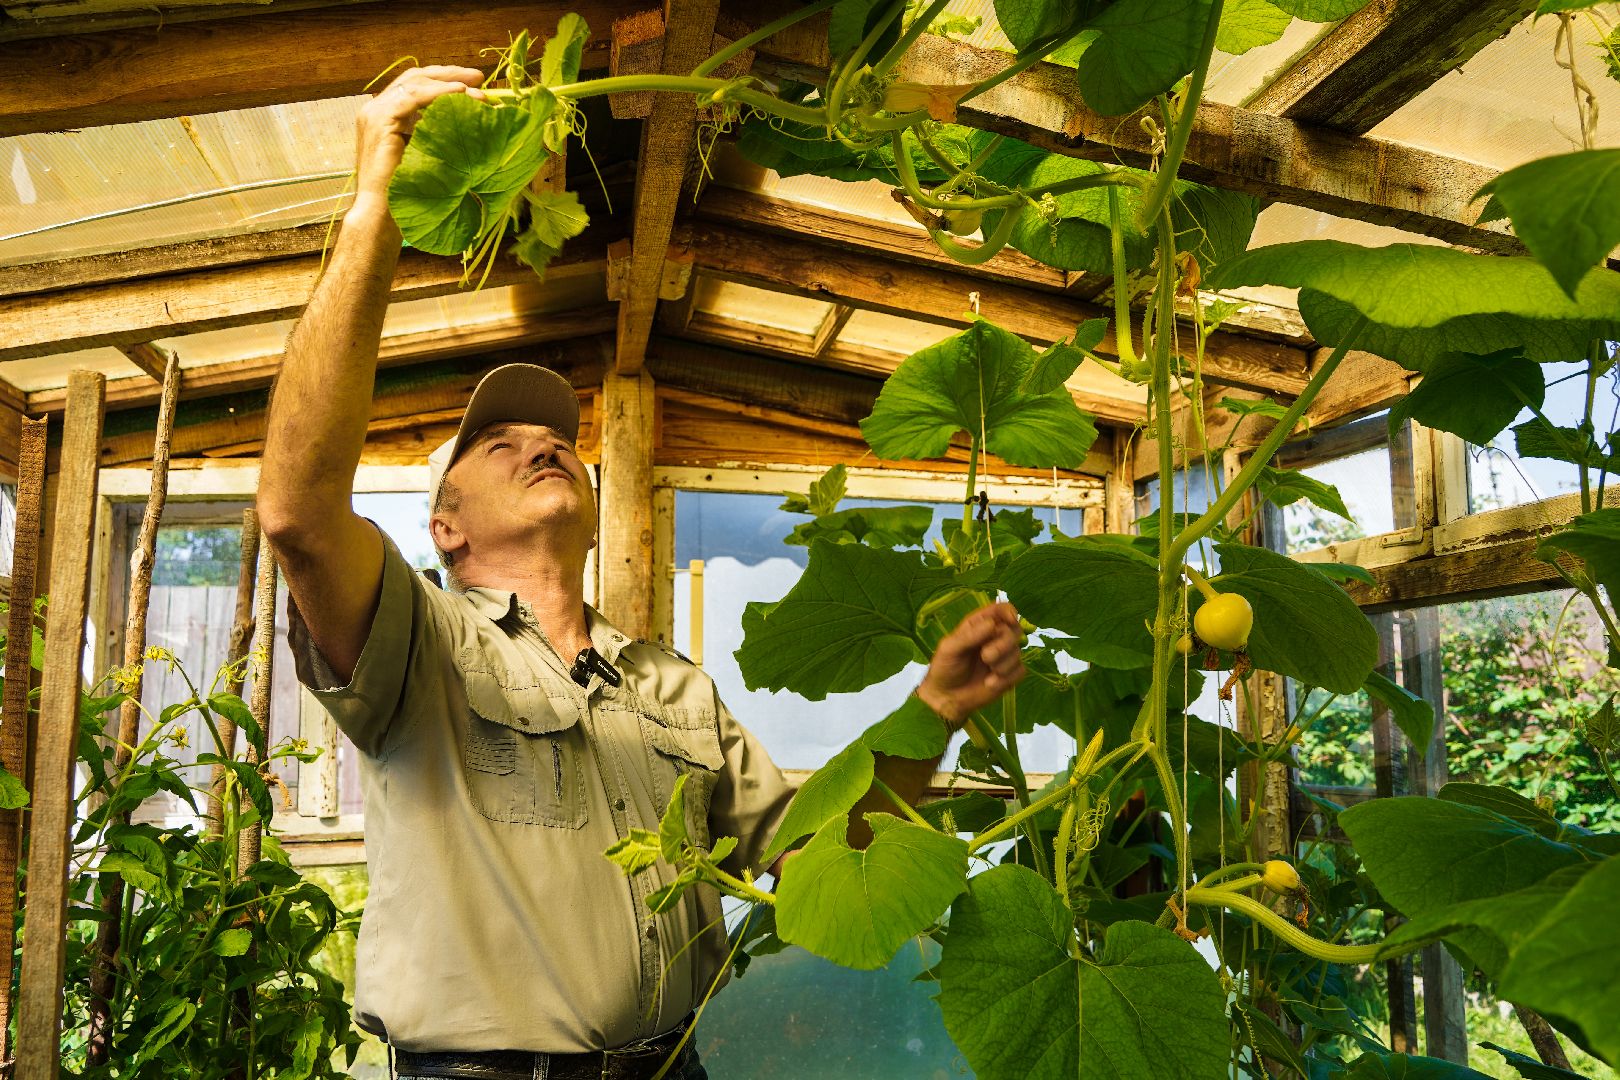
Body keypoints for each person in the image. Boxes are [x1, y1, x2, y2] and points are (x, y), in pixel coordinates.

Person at [256, 65, 1028, 1080]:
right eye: (501, 446)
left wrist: (934, 708)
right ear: (445, 528)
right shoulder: (418, 644)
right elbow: (298, 515)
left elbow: (812, 864)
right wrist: (371, 209)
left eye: (555, 438)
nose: (542, 443)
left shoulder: (672, 686)